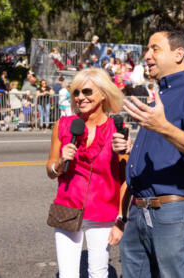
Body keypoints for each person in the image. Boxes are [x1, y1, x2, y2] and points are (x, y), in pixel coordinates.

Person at [114, 25, 184, 278]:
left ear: (178, 54)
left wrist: (162, 127)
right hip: (139, 210)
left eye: (155, 48)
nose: (147, 55)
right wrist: (130, 151)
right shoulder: (162, 95)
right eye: (147, 49)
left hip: (170, 213)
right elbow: (162, 150)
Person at [45, 67, 127, 278]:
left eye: (87, 92)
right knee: (67, 275)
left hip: (103, 213)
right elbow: (51, 170)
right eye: (76, 92)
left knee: (98, 274)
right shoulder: (63, 126)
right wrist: (61, 162)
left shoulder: (116, 129)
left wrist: (122, 219)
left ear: (103, 94)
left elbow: (125, 178)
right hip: (67, 208)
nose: (80, 97)